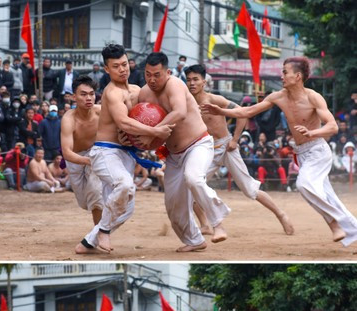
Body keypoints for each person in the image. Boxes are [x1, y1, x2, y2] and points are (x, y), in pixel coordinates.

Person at [202, 57, 357, 246]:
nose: (281, 75)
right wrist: (221, 111)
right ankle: (352, 232)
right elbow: (247, 112)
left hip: (318, 150)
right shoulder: (278, 96)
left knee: (304, 185)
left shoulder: (313, 97)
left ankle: (334, 223)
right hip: (301, 153)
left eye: (285, 72)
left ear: (297, 76)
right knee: (324, 194)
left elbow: (332, 127)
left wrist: (312, 132)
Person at [75, 45, 172, 255]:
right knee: (125, 185)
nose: (122, 69)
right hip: (105, 152)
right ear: (107, 69)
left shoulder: (138, 90)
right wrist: (155, 131)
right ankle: (103, 230)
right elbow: (125, 123)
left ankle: (86, 244)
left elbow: (156, 112)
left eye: (125, 64)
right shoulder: (112, 93)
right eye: (116, 66)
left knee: (127, 208)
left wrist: (158, 137)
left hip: (127, 154)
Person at [185, 64, 294, 236]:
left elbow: (241, 113)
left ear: (203, 82)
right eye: (189, 80)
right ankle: (205, 224)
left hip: (227, 146)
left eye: (195, 79)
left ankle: (281, 215)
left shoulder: (215, 99)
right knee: (193, 186)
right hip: (206, 150)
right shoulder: (187, 104)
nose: (192, 83)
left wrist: (235, 139)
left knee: (250, 189)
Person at [138, 52, 230, 252]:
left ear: (168, 72)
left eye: (157, 74)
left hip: (198, 144)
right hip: (172, 154)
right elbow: (145, 123)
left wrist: (152, 132)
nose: (152, 79)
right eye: (148, 74)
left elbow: (179, 112)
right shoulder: (144, 94)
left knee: (194, 178)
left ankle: (218, 224)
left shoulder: (175, 85)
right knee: (173, 205)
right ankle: (194, 240)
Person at [61, 75, 103, 226]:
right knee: (85, 202)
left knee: (96, 193)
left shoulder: (101, 111)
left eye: (91, 94)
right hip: (75, 159)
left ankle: (100, 233)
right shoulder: (68, 119)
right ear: (74, 96)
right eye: (83, 94)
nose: (89, 98)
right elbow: (67, 152)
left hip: (96, 152)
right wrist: (88, 161)